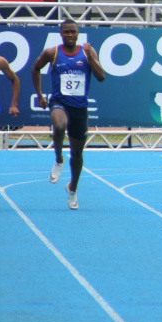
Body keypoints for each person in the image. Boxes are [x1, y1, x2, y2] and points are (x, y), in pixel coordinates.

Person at [30, 19, 106, 210]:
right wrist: (40, 95)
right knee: (59, 125)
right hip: (59, 102)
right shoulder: (52, 53)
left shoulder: (87, 51)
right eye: (67, 32)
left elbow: (101, 76)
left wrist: (91, 57)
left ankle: (72, 189)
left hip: (79, 107)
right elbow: (35, 68)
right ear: (61, 33)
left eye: (73, 32)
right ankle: (58, 159)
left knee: (78, 154)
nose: (70, 35)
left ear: (78, 33)